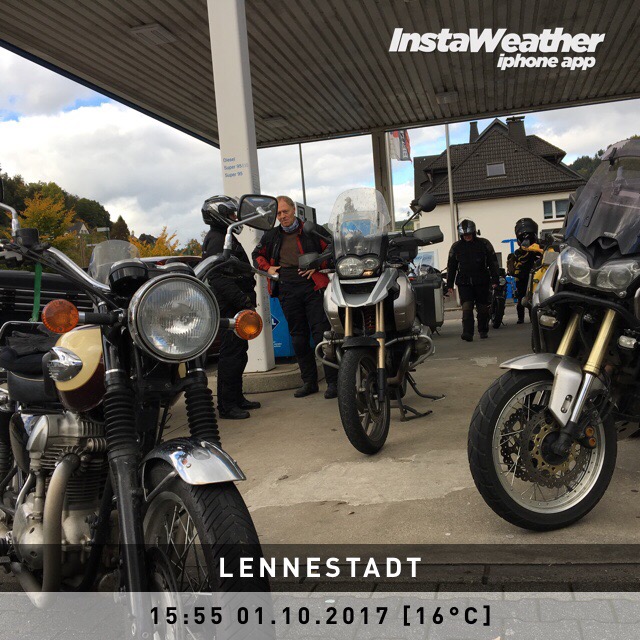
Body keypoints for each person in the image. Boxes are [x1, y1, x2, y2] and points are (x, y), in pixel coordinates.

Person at [252, 195, 338, 399]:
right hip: (287, 289)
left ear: (294, 210)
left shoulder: (312, 229)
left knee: (322, 335)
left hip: (313, 287)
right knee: (298, 338)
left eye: (285, 211)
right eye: (278, 213)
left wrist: (317, 264)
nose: (282, 216)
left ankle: (333, 382)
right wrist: (267, 268)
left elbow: (333, 247)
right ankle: (309, 382)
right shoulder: (272, 235)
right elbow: (257, 256)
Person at [201, 195, 261, 420]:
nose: (235, 217)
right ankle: (227, 405)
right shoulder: (217, 239)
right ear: (218, 214)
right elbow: (217, 276)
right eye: (231, 214)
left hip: (237, 305)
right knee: (231, 356)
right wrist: (242, 300)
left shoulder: (224, 235)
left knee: (239, 354)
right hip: (230, 307)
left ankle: (236, 397)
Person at [446, 219, 499, 341]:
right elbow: (451, 266)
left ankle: (483, 330)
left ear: (474, 232)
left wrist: (495, 279)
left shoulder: (484, 244)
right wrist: (449, 284)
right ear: (461, 235)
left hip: (482, 281)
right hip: (464, 283)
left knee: (483, 308)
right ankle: (467, 333)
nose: (467, 236)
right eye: (464, 235)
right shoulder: (456, 247)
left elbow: (493, 262)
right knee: (467, 307)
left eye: (469, 234)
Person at [510, 218, 544, 324]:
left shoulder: (538, 249)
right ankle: (521, 318)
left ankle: (532, 317)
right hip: (522, 277)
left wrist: (537, 251)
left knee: (533, 297)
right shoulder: (518, 253)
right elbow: (518, 261)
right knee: (521, 298)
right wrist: (528, 251)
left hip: (536, 276)